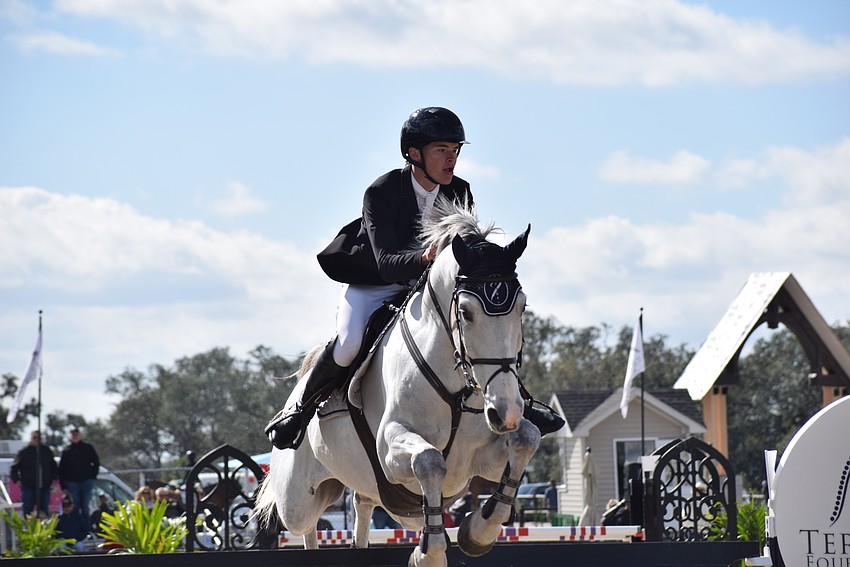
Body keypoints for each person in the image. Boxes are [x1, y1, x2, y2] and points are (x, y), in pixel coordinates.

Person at [264, 106, 563, 450]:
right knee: (348, 345)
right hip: (374, 283)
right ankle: (300, 411)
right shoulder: (383, 191)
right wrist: (425, 257)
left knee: (479, 326)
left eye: (455, 152)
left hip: (425, 289)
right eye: (442, 151)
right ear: (414, 154)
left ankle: (517, 401)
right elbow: (388, 262)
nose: (451, 160)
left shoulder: (460, 190)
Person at [10, 430, 59, 517]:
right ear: (31, 438)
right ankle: (29, 529)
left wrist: (55, 480)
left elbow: (53, 466)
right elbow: (14, 467)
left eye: (38, 437)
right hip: (28, 486)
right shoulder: (24, 452)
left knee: (44, 510)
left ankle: (43, 529)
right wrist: (16, 480)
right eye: (34, 437)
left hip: (44, 486)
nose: (36, 439)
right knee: (28, 510)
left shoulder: (46, 451)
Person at [59, 427, 100, 523]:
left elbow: (96, 462)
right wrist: (63, 485)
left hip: (86, 481)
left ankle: (86, 527)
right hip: (72, 482)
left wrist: (93, 477)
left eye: (76, 434)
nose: (75, 436)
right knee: (75, 506)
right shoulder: (67, 451)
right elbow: (61, 469)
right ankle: (77, 526)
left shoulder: (88, 448)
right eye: (73, 434)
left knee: (85, 505)